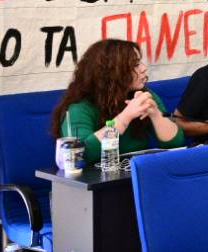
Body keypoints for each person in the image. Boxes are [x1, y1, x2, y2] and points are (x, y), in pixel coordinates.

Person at [54, 39, 184, 164]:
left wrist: (156, 114)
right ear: (110, 72)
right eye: (135, 65)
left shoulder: (143, 95)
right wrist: (125, 117)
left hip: (136, 174)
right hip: (96, 178)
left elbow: (175, 144)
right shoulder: (79, 107)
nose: (144, 68)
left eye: (140, 62)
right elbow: (78, 155)